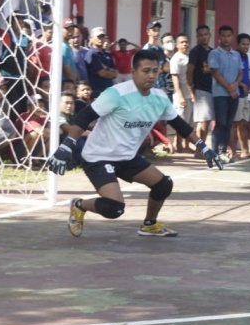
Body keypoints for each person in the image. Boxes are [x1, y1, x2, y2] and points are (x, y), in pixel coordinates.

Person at [47, 49, 222, 237]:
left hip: (127, 157)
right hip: (98, 157)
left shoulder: (160, 98)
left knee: (164, 184)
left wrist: (204, 147)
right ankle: (79, 205)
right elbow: (83, 118)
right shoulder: (116, 94)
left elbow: (181, 126)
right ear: (133, 72)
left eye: (155, 71)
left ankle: (149, 225)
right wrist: (66, 146)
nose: (151, 75)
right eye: (146, 71)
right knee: (114, 208)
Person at [208, 25, 242, 162]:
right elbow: (215, 73)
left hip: (234, 94)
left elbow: (241, 73)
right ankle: (214, 152)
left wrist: (235, 86)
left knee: (228, 124)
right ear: (219, 37)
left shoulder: (236, 54)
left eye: (229, 36)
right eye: (223, 35)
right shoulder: (214, 54)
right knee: (220, 123)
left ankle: (222, 152)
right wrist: (229, 87)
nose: (226, 38)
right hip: (220, 94)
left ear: (232, 37)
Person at [187, 24, 215, 153]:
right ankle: (200, 150)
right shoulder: (195, 51)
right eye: (201, 35)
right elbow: (190, 70)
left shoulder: (212, 51)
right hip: (201, 89)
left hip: (213, 89)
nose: (204, 37)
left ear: (209, 35)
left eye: (206, 34)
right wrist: (191, 88)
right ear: (197, 37)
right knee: (203, 122)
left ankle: (201, 148)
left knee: (207, 121)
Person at [230, 33, 250, 161]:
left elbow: (245, 73)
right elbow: (233, 74)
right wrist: (241, 84)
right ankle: (232, 151)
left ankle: (244, 150)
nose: (246, 46)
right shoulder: (235, 56)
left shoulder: (246, 56)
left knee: (244, 123)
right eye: (243, 44)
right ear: (238, 44)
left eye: (247, 44)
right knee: (234, 124)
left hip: (245, 95)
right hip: (236, 94)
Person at [169, 33, 193, 154]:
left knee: (189, 122)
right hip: (181, 96)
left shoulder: (189, 57)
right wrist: (180, 95)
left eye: (186, 42)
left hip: (190, 95)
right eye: (182, 42)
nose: (185, 44)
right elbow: (175, 78)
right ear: (177, 45)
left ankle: (186, 144)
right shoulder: (176, 59)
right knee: (181, 121)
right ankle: (178, 144)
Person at [84, 27, 117, 99]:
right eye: (98, 37)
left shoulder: (107, 54)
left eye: (102, 37)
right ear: (91, 38)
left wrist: (106, 69)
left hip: (109, 91)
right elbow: (102, 73)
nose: (101, 39)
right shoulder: (91, 54)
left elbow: (116, 73)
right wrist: (110, 72)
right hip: (98, 92)